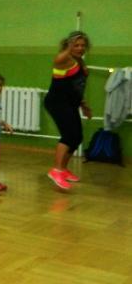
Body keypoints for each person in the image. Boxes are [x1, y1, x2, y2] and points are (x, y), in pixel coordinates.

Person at [44, 31, 92, 190]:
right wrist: (68, 48)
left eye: (82, 45)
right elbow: (57, 59)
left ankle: (63, 169)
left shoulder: (80, 61)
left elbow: (76, 87)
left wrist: (83, 104)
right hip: (57, 102)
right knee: (69, 135)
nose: (80, 48)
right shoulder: (63, 59)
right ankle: (56, 170)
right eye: (76, 45)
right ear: (68, 45)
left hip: (70, 103)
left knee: (77, 137)